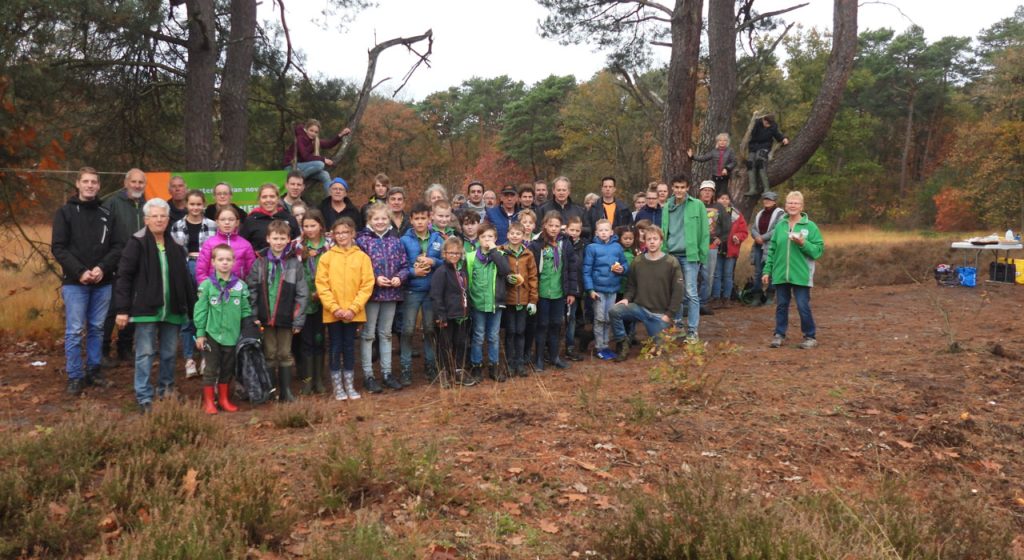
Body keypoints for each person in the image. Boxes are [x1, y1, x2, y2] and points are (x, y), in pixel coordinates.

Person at [113, 198, 197, 413]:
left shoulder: (177, 246)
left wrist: (192, 308)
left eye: (163, 216)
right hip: (145, 310)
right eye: (155, 216)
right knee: (145, 353)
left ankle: (166, 390)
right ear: (146, 219)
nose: (159, 220)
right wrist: (122, 309)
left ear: (168, 219)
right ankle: (143, 396)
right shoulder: (137, 242)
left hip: (173, 310)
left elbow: (185, 280)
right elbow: (124, 277)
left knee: (169, 353)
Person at [52, 167, 123, 396]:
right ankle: (74, 376)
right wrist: (80, 271)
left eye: (94, 182)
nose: (90, 185)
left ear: (99, 186)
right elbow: (59, 248)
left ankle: (94, 370)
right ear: (78, 184)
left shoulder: (107, 214)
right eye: (86, 181)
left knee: (97, 328)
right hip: (75, 283)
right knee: (74, 331)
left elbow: (118, 246)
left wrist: (102, 268)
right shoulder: (65, 213)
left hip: (103, 282)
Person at [246, 220, 308, 402]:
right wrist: (254, 315)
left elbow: (302, 294)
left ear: (289, 239)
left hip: (286, 318)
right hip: (266, 318)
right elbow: (251, 290)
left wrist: (298, 319)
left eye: (282, 238)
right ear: (268, 239)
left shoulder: (294, 265)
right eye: (275, 238)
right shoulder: (260, 263)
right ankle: (271, 390)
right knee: (270, 354)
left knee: (285, 353)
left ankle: (286, 392)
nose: (279, 242)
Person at [316, 217, 375, 401]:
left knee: (349, 347)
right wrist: (334, 308)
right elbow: (322, 285)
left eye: (345, 232)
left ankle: (349, 384)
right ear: (333, 235)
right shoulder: (326, 258)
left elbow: (367, 285)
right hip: (333, 313)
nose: (342, 236)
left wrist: (353, 308)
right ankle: (337, 386)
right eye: (338, 233)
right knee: (335, 346)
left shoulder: (362, 257)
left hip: (353, 313)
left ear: (352, 234)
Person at [356, 203, 409, 393]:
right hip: (371, 294)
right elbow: (358, 268)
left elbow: (405, 265)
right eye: (376, 219)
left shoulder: (396, 241)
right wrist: (374, 278)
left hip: (391, 293)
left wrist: (399, 278)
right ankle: (368, 375)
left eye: (384, 219)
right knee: (369, 334)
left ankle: (387, 373)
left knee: (386, 333)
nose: (380, 222)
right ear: (369, 220)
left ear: (389, 220)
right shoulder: (362, 241)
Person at [609, 226, 683, 362]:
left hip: (660, 315)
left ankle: (661, 335)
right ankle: (623, 343)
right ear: (645, 242)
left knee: (661, 354)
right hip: (640, 308)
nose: (652, 242)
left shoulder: (671, 262)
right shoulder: (638, 261)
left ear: (661, 241)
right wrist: (626, 299)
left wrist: (669, 315)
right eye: (649, 239)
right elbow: (631, 285)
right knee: (615, 311)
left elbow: (678, 291)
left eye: (655, 239)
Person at [194, 244, 251, 414]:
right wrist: (200, 334)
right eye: (220, 259)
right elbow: (201, 311)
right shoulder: (207, 286)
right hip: (212, 334)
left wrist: (249, 327)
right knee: (211, 369)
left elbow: (245, 309)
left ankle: (224, 399)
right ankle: (209, 402)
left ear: (234, 262)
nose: (224, 263)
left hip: (232, 335)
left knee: (227, 368)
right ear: (213, 262)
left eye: (228, 259)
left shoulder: (240, 286)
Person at [763, 191, 823, 349]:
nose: (792, 205)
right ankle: (779, 334)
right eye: (790, 202)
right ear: (785, 205)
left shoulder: (810, 226)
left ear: (802, 206)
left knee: (803, 305)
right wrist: (767, 270)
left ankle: (810, 336)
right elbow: (772, 249)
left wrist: (803, 243)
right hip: (781, 273)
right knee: (781, 305)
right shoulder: (780, 225)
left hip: (801, 274)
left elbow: (818, 251)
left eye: (796, 203)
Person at [101, 168, 147, 368]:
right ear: (125, 182)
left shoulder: (147, 205)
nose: (137, 185)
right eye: (134, 182)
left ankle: (125, 348)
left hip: (141, 263)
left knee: (134, 306)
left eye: (141, 182)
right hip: (117, 262)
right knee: (112, 308)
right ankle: (102, 350)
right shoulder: (112, 203)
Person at [170, 189, 217, 378]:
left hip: (207, 273)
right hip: (184, 272)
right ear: (186, 205)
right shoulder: (177, 226)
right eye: (192, 204)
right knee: (188, 315)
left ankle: (206, 357)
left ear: (204, 205)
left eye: (199, 204)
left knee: (207, 314)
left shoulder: (213, 225)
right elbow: (174, 254)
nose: (195, 208)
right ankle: (189, 358)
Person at [399, 203, 443, 385]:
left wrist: (433, 261)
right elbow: (400, 265)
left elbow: (445, 261)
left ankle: (430, 365)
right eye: (416, 218)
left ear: (429, 218)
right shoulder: (404, 240)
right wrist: (412, 272)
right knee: (408, 329)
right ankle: (405, 368)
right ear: (411, 220)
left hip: (431, 290)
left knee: (429, 329)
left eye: (423, 218)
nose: (420, 222)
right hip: (412, 290)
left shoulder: (437, 238)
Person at [661, 174, 708, 341]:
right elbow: (664, 231)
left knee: (691, 293)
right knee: (676, 293)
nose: (679, 190)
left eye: (682, 187)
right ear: (672, 188)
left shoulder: (697, 205)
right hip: (672, 255)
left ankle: (693, 330)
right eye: (676, 187)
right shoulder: (667, 206)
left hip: (690, 256)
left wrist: (702, 256)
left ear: (687, 188)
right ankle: (678, 326)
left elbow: (704, 233)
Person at [530, 211, 578, 371]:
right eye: (550, 225)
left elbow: (571, 268)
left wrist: (571, 292)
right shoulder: (536, 244)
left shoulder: (566, 243)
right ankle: (538, 359)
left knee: (556, 324)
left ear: (561, 227)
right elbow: (531, 270)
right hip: (542, 292)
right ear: (544, 225)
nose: (553, 229)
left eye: (557, 226)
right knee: (542, 324)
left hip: (559, 291)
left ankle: (555, 356)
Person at [465, 222, 511, 383]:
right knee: (478, 336)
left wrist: (494, 250)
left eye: (490, 236)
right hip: (477, 304)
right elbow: (467, 280)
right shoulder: (471, 257)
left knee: (493, 336)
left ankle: (494, 366)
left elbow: (505, 271)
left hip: (495, 304)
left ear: (496, 238)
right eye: (483, 237)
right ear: (478, 239)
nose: (487, 239)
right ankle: (476, 366)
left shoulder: (500, 255)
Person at [296, 209, 331, 395]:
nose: (310, 230)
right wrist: (305, 292)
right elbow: (293, 271)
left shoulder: (330, 245)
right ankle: (308, 381)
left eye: (313, 226)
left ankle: (319, 380)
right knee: (307, 341)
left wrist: (322, 291)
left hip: (325, 298)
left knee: (320, 339)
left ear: (321, 226)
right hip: (305, 299)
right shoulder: (298, 246)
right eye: (306, 226)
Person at [584, 219, 629, 361]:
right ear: (596, 232)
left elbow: (625, 264)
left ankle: (606, 345)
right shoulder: (592, 248)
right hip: (598, 290)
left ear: (611, 232)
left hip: (613, 289)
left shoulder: (617, 247)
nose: (603, 233)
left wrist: (622, 269)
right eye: (601, 230)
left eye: (606, 230)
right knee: (599, 318)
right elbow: (586, 270)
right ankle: (599, 346)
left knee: (609, 318)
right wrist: (590, 289)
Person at [431, 236, 472, 387]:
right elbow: (436, 295)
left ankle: (458, 371)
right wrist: (441, 316)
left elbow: (464, 292)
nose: (454, 256)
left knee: (460, 343)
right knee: (445, 345)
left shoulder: (462, 271)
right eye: (451, 253)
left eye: (457, 253)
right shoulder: (441, 272)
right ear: (444, 254)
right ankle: (443, 373)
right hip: (446, 316)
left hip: (461, 314)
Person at [500, 221, 537, 378]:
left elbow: (533, 278)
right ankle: (509, 362)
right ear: (508, 235)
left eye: (518, 234)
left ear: (524, 236)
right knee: (510, 332)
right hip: (508, 299)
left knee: (521, 331)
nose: (515, 236)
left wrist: (533, 300)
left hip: (523, 300)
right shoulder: (502, 252)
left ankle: (519, 363)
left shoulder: (528, 254)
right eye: (512, 233)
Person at [283, 118, 351, 194]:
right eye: (311, 130)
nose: (313, 133)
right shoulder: (300, 138)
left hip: (303, 169)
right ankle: (297, 180)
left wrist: (340, 135)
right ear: (306, 129)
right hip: (291, 167)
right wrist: (323, 159)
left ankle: (330, 200)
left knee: (325, 174)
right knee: (320, 164)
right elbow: (305, 156)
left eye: (316, 132)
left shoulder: (315, 141)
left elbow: (329, 144)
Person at [196, 206, 256, 285]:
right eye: (223, 219)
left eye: (231, 219)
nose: (227, 222)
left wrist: (245, 289)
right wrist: (207, 288)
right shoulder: (209, 243)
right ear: (217, 222)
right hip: (213, 290)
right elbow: (201, 270)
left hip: (238, 290)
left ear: (237, 222)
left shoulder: (246, 245)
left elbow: (251, 272)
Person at [698, 181, 730, 315]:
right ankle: (690, 303)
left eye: (709, 190)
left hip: (711, 246)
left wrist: (720, 239)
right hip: (695, 245)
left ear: (713, 193)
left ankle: (703, 302)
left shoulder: (719, 207)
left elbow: (727, 226)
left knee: (708, 276)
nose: (707, 192)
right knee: (692, 275)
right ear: (700, 191)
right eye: (704, 190)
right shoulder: (695, 205)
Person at [241, 183, 300, 253]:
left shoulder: (289, 218)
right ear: (259, 199)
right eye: (264, 197)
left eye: (272, 196)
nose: (268, 200)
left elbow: (298, 243)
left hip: (287, 262)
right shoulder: (251, 221)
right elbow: (242, 247)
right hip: (259, 262)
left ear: (278, 198)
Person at [711, 192, 747, 305]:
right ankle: (716, 298)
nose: (724, 201)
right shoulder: (712, 213)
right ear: (717, 200)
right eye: (722, 198)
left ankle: (726, 298)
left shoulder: (737, 215)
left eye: (727, 199)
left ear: (730, 201)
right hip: (717, 247)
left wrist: (738, 237)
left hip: (731, 248)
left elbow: (744, 231)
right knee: (716, 274)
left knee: (727, 274)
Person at [750, 191, 786, 298]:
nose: (767, 201)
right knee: (758, 271)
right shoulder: (760, 213)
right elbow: (753, 228)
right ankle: (757, 295)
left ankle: (770, 294)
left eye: (769, 199)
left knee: (771, 269)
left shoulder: (781, 214)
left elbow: (777, 229)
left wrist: (762, 237)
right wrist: (756, 237)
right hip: (758, 245)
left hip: (771, 245)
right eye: (765, 199)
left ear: (774, 201)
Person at [746, 114, 788, 196]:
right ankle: (752, 188)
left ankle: (766, 188)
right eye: (766, 123)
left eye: (769, 124)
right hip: (753, 146)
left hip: (764, 147)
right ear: (763, 120)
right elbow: (751, 134)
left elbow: (778, 135)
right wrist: (754, 124)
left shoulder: (773, 127)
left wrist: (784, 138)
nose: (767, 125)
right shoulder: (757, 124)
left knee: (760, 161)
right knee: (750, 163)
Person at [563, 216, 586, 361]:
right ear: (566, 229)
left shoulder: (584, 246)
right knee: (559, 320)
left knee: (571, 319)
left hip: (576, 287)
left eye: (577, 230)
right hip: (561, 287)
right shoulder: (562, 243)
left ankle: (570, 347)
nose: (574, 233)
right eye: (572, 229)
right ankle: (549, 348)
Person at [688, 133, 737, 198]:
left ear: (727, 142)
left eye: (724, 140)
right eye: (720, 140)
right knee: (714, 194)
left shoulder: (730, 151)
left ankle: (725, 207)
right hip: (715, 177)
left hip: (725, 178)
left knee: (723, 195)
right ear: (717, 142)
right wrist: (692, 157)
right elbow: (703, 158)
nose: (722, 142)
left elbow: (734, 162)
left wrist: (727, 168)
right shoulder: (714, 152)